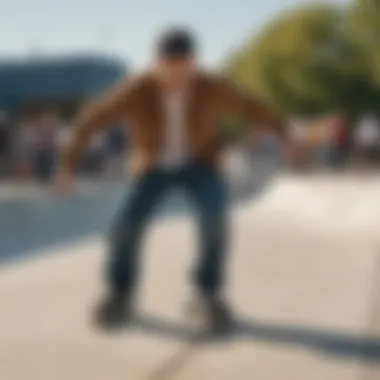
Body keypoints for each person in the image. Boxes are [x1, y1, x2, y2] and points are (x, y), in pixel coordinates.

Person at [53, 27, 286, 330]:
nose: (179, 79)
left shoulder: (210, 85)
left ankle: (206, 293)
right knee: (126, 224)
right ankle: (120, 293)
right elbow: (93, 118)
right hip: (153, 167)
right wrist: (67, 166)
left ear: (193, 63)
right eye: (171, 71)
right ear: (157, 65)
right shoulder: (138, 88)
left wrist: (284, 130)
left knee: (215, 217)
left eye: (185, 70)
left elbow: (248, 105)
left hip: (200, 163)